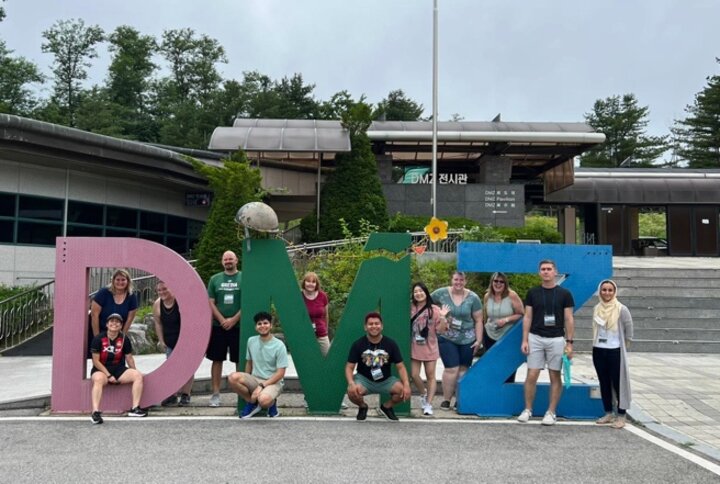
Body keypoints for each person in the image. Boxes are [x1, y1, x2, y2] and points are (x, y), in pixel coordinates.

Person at [518, 259, 575, 426]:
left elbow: (569, 318)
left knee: (554, 375)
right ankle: (528, 409)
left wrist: (570, 343)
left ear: (555, 271)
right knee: (532, 374)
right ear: (539, 272)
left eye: (549, 269)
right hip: (535, 337)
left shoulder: (565, 294)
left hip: (556, 338)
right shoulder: (533, 292)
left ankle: (551, 412)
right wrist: (525, 339)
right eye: (543, 269)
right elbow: (527, 316)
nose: (546, 272)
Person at [431, 271, 483, 410]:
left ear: (465, 281)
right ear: (451, 280)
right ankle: (446, 400)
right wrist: (437, 315)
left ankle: (460, 399)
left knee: (463, 369)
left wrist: (479, 340)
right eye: (456, 279)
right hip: (447, 336)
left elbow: (478, 320)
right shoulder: (441, 293)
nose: (458, 282)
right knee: (451, 368)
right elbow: (426, 303)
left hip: (468, 338)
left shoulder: (473, 298)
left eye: (461, 280)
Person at [346, 312, 412, 421]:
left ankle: (386, 407)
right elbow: (349, 367)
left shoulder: (391, 344)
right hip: (364, 380)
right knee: (352, 392)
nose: (374, 326)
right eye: (370, 324)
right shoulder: (358, 344)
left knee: (403, 391)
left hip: (386, 380)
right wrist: (351, 383)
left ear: (382, 326)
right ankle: (363, 407)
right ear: (365, 327)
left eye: (377, 323)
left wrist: (406, 384)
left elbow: (400, 367)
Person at [228, 311, 288, 419]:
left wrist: (262, 386)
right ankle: (251, 402)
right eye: (259, 324)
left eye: (265, 323)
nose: (262, 326)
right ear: (256, 327)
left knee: (264, 400)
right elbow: (249, 363)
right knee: (233, 378)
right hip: (255, 379)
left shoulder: (279, 345)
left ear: (271, 325)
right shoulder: (251, 341)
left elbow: (280, 373)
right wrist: (247, 379)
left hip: (273, 382)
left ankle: (271, 403)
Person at [90, 313, 147, 424]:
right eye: (111, 321)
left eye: (117, 322)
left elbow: (129, 358)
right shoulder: (98, 339)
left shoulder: (124, 339)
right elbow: (95, 361)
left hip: (118, 369)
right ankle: (95, 412)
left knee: (137, 376)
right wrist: (108, 375)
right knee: (98, 380)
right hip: (101, 369)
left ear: (121, 326)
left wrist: (135, 370)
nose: (114, 324)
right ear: (107, 324)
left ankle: (135, 408)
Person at [592, 279, 634, 429]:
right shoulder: (597, 308)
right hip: (598, 349)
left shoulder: (621, 309)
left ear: (614, 292)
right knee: (604, 382)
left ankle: (621, 415)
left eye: (610, 290)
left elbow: (629, 332)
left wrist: (624, 346)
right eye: (604, 290)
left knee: (618, 383)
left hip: (615, 350)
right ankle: (608, 412)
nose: (607, 293)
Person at [206, 250, 242, 407]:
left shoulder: (244, 277)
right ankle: (215, 394)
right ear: (222, 262)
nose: (228, 261)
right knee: (217, 359)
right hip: (218, 327)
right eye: (225, 259)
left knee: (239, 360)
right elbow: (210, 302)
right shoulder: (215, 279)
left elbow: (248, 301)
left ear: (236, 261)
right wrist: (222, 320)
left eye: (231, 259)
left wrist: (234, 320)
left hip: (238, 325)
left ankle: (241, 394)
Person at [409, 282, 449, 416]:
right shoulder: (410, 307)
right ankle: (423, 393)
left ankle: (428, 404)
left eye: (421, 291)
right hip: (414, 346)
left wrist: (443, 317)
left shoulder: (434, 310)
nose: (418, 294)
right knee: (414, 374)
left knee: (430, 376)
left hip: (430, 347)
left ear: (426, 293)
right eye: (415, 291)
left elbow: (441, 331)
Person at [152, 281, 193, 406]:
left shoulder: (180, 301)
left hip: (184, 339)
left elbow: (189, 319)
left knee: (187, 367)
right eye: (159, 290)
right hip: (169, 340)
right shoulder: (157, 304)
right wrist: (161, 340)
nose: (162, 292)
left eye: (165, 289)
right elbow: (158, 323)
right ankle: (172, 394)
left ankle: (186, 394)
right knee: (171, 367)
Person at [482, 272, 525, 383]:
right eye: (496, 281)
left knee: (507, 364)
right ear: (492, 282)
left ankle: (507, 388)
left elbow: (521, 314)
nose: (498, 284)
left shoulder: (512, 295)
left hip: (507, 335)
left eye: (501, 281)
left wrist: (506, 320)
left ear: (505, 283)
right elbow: (485, 315)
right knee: (492, 364)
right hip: (490, 334)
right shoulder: (487, 296)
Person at [89, 268, 138, 356]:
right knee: (100, 360)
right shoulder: (103, 293)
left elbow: (130, 319)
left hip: (117, 333)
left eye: (123, 280)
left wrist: (121, 337)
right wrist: (97, 338)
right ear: (113, 281)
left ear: (128, 281)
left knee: (117, 359)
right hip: (100, 331)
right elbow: (94, 315)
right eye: (117, 279)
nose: (120, 282)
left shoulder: (131, 296)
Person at [300, 272, 331, 355]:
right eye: (308, 281)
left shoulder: (322, 296)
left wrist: (326, 330)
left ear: (316, 284)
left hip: (321, 334)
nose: (311, 284)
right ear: (304, 282)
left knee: (327, 357)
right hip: (305, 335)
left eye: (313, 282)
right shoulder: (299, 296)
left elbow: (326, 315)